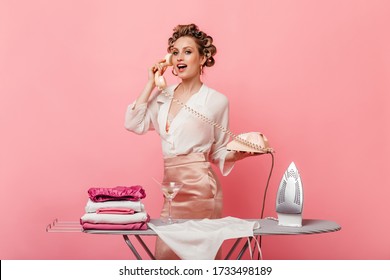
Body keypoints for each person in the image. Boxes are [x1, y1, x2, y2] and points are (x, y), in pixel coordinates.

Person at [125, 23, 257, 259]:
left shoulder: (217, 101)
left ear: (203, 57)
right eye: (174, 52)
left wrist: (239, 154)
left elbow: (218, 152)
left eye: (187, 51)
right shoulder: (163, 96)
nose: (179, 58)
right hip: (172, 194)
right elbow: (134, 123)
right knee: (166, 260)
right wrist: (151, 82)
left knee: (201, 260)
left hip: (202, 192)